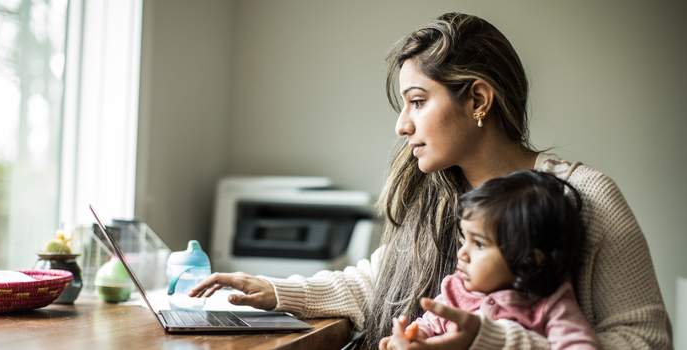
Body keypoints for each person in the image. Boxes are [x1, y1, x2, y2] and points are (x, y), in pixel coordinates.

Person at [189, 12, 672, 349]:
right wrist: (275, 293)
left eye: (418, 101)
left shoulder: (585, 197)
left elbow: (644, 340)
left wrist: (492, 343)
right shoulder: (434, 194)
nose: (402, 126)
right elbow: (378, 283)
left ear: (478, 99)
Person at [378, 169, 601, 350]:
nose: (461, 253)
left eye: (480, 244)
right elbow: (428, 323)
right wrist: (413, 336)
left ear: (531, 261)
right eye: (465, 239)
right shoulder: (455, 290)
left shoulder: (550, 304)